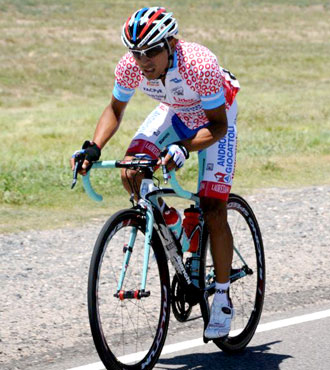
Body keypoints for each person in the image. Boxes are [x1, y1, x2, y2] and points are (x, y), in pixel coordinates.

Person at [70, 6, 240, 339]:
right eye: (137, 53)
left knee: (213, 206)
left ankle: (221, 297)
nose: (143, 61)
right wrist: (94, 146)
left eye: (151, 52)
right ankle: (175, 226)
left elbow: (217, 125)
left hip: (216, 119)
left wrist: (184, 148)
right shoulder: (130, 67)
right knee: (132, 171)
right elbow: (115, 110)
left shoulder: (198, 65)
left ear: (171, 44)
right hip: (176, 111)